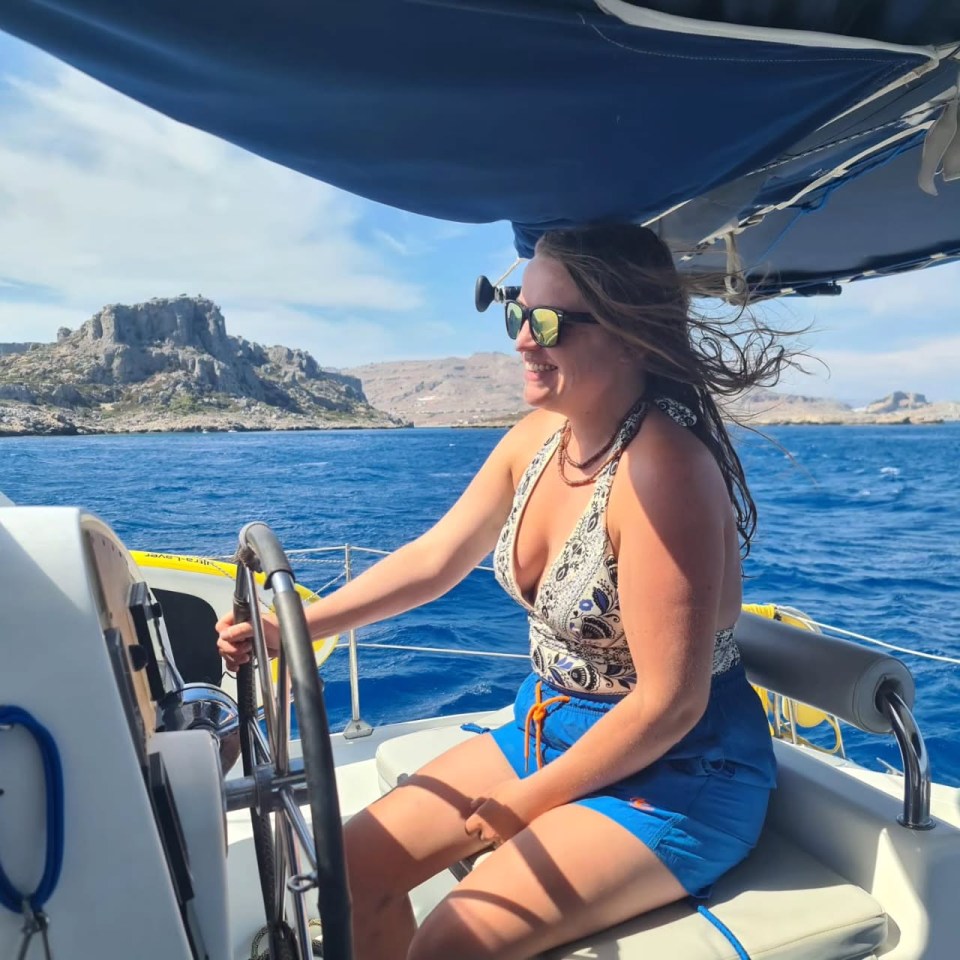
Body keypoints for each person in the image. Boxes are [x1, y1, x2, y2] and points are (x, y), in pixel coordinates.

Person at [217, 223, 789, 960]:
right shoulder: (539, 436)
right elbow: (436, 559)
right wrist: (295, 625)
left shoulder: (664, 468)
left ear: (632, 337)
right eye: (515, 310)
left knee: (453, 940)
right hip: (548, 726)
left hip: (683, 769)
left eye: (547, 321)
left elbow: (668, 704)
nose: (521, 338)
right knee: (350, 871)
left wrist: (529, 802)